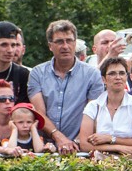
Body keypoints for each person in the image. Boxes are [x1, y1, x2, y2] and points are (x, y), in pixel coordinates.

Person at [28, 19, 103, 153]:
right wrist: (59, 138)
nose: (65, 46)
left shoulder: (93, 75)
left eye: (69, 40)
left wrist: (75, 143)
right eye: (59, 41)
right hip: (44, 148)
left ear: (75, 43)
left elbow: (94, 114)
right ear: (50, 45)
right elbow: (40, 113)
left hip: (80, 149)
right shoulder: (37, 73)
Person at [78, 56, 132, 157]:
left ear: (126, 77)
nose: (118, 77)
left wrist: (110, 139)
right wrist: (117, 147)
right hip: (98, 166)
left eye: (122, 73)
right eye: (112, 73)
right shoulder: (93, 106)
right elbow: (84, 145)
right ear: (103, 79)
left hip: (129, 165)